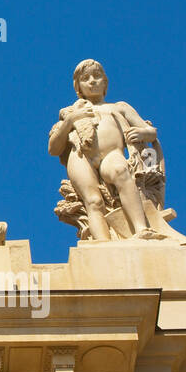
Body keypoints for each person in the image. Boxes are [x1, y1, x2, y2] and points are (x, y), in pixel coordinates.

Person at [47, 59, 159, 241]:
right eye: (85, 78)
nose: (92, 81)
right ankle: (102, 243)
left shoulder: (118, 107)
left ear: (105, 83)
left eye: (97, 76)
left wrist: (141, 132)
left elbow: (151, 133)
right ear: (78, 87)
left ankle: (141, 229)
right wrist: (69, 121)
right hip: (81, 156)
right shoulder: (70, 113)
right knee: (93, 201)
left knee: (121, 171)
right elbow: (53, 148)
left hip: (111, 154)